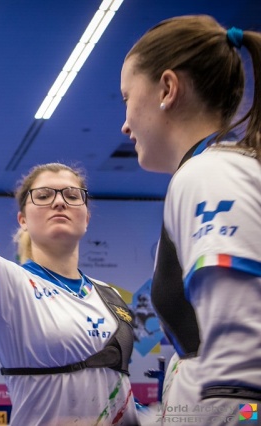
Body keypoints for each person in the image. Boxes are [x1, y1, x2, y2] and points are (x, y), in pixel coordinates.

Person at [120, 14, 261, 424]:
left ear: (167, 88)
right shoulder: (218, 170)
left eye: (126, 97)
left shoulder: (209, 174)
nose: (125, 123)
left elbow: (243, 373)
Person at [0, 163, 139, 426]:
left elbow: (115, 388)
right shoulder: (9, 283)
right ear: (22, 219)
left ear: (87, 218)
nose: (59, 202)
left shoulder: (111, 295)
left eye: (71, 195)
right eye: (44, 196)